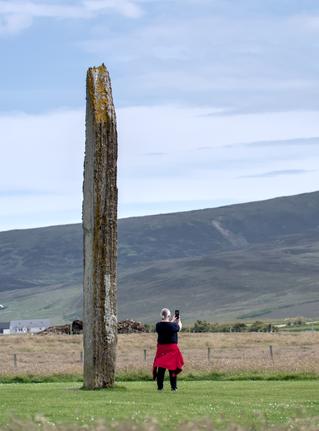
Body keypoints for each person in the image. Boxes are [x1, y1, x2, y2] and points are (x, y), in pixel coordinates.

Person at [152, 308, 184, 391]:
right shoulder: (172, 325)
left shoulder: (158, 325)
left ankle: (160, 387)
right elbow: (179, 327)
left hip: (161, 349)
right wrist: (178, 320)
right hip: (172, 349)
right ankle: (173, 387)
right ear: (169, 316)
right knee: (172, 369)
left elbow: (166, 325)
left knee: (161, 369)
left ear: (161, 315)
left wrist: (172, 320)